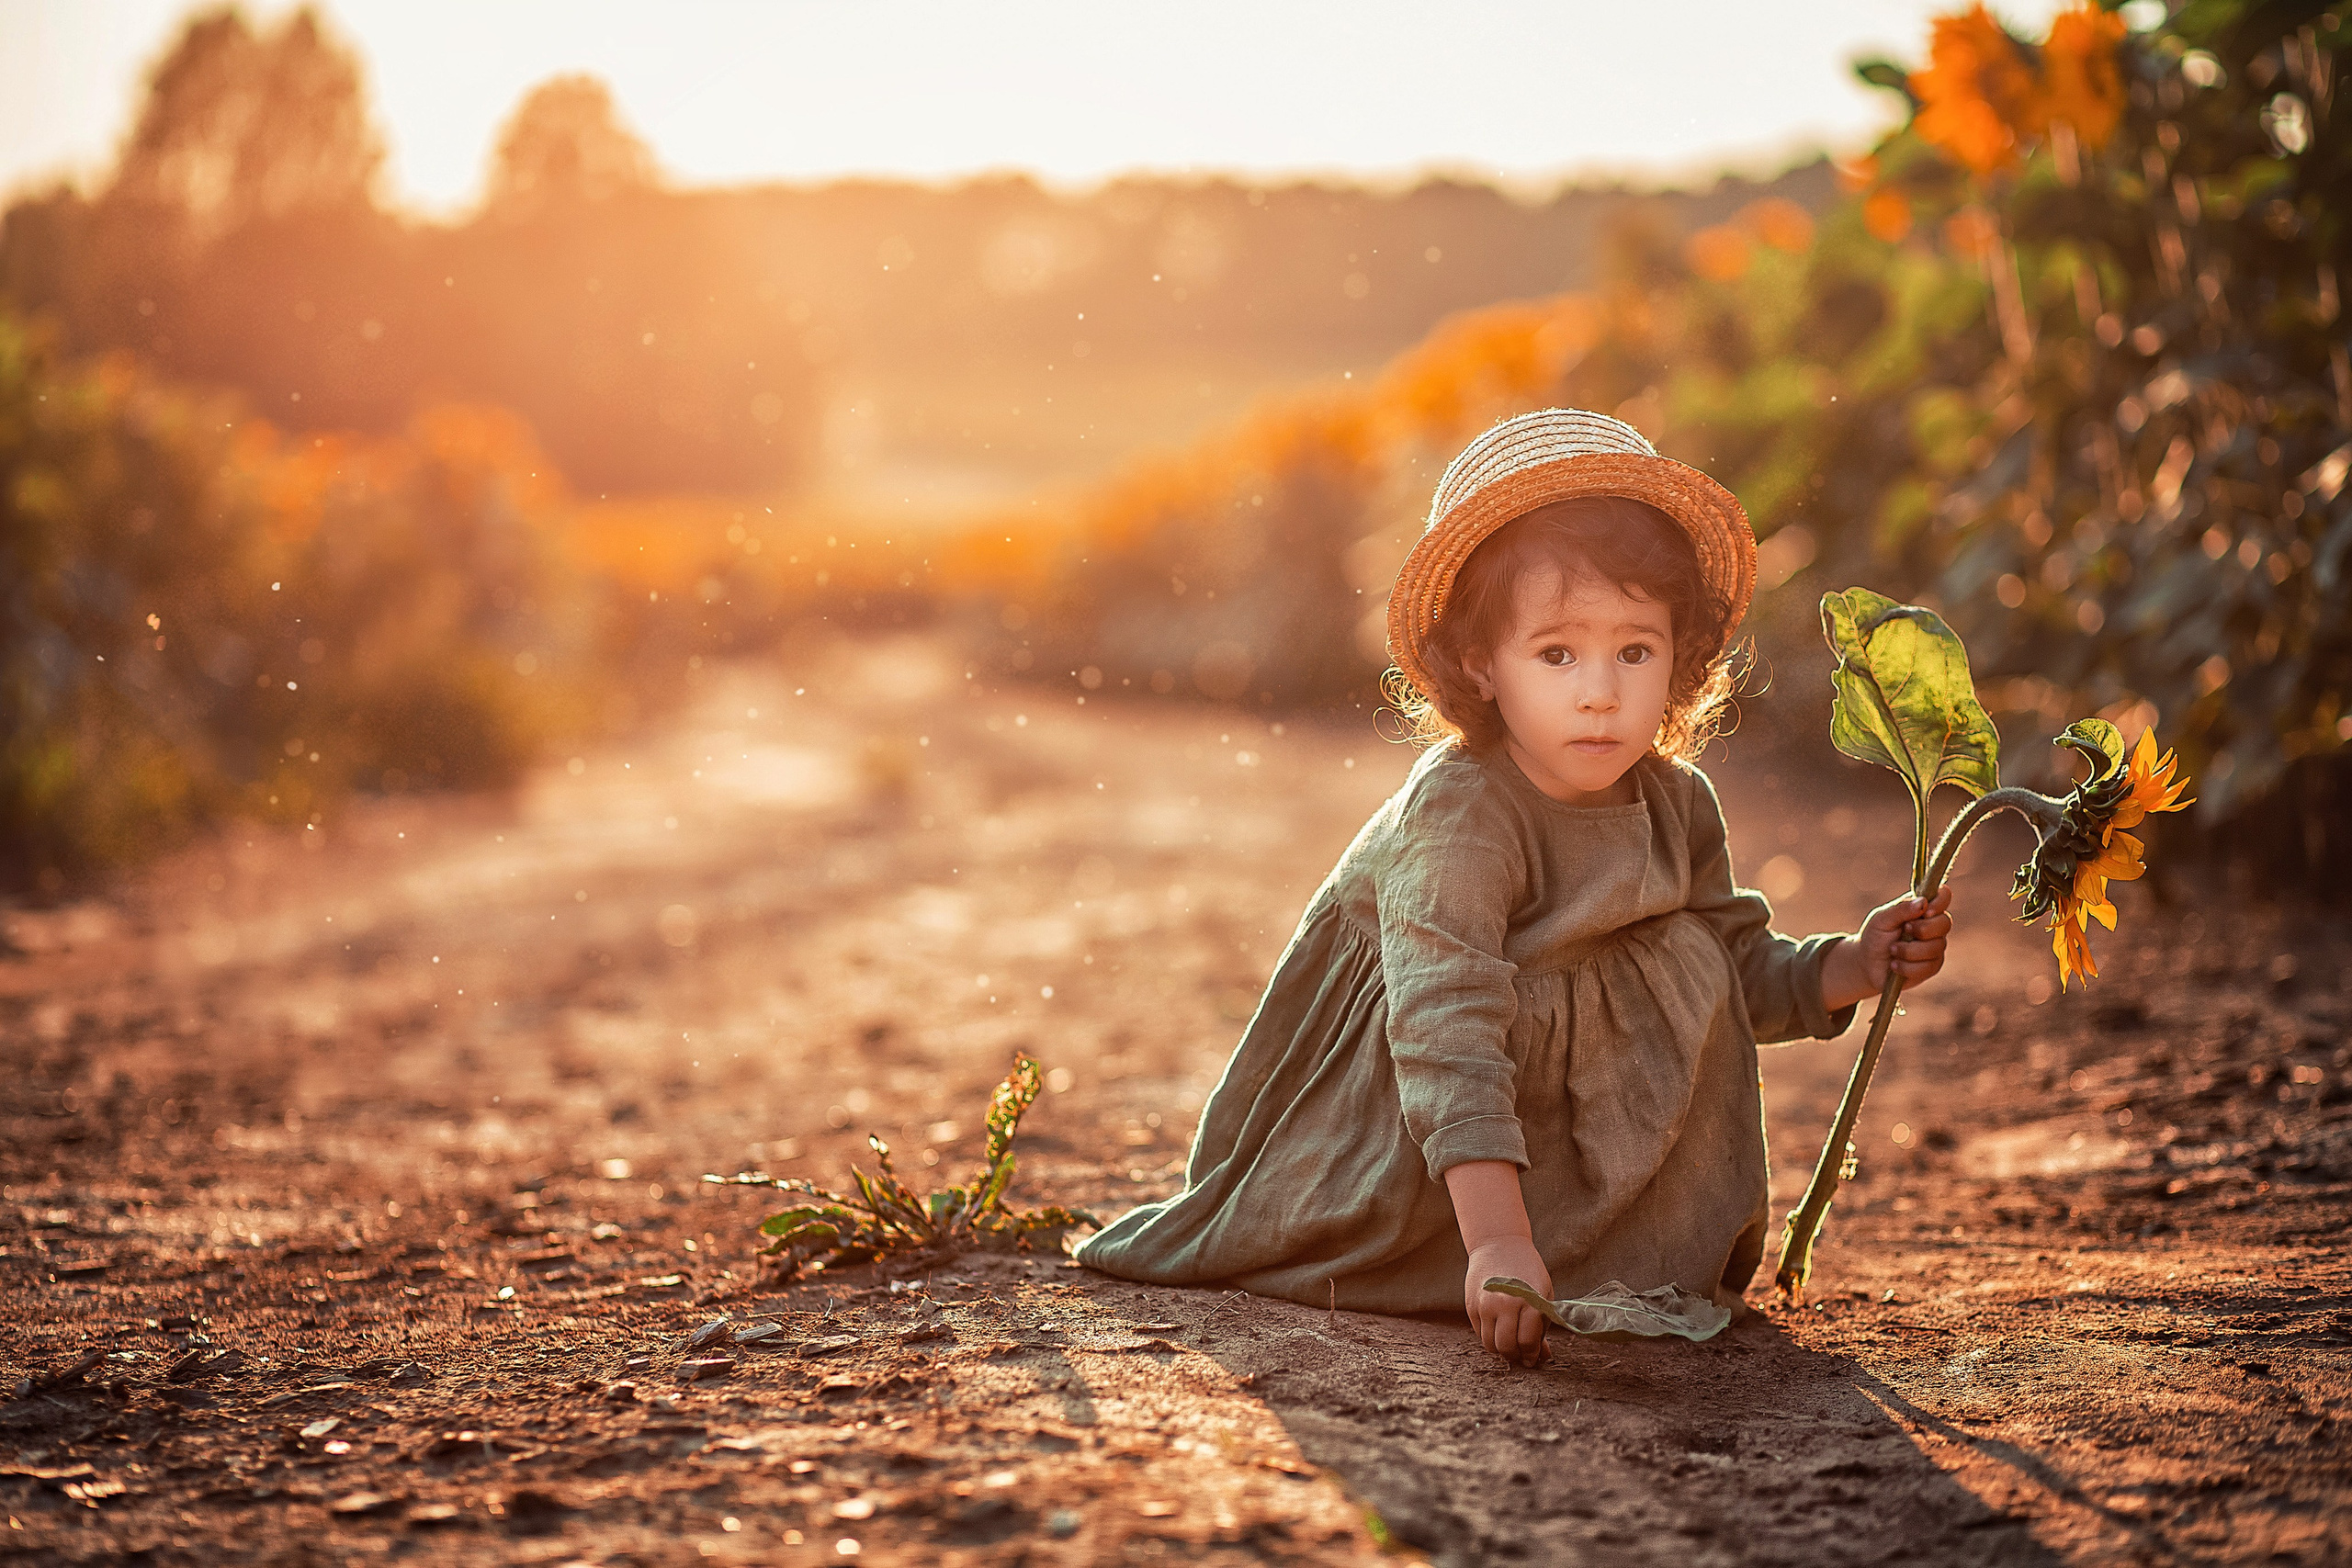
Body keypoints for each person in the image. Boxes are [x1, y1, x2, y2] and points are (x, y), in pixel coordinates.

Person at [1071, 408, 1952, 1365]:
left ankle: (1593, 1241)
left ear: (1680, 658)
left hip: (1575, 1148)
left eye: (1635, 651)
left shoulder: (1676, 802)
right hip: (1424, 1157)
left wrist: (1855, 964)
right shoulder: (1461, 816)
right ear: (1478, 663)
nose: (1599, 692)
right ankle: (1489, 1247)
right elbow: (1445, 1025)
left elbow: (1738, 974)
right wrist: (1495, 1238)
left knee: (1688, 948)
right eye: (1557, 653)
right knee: (1463, 1088)